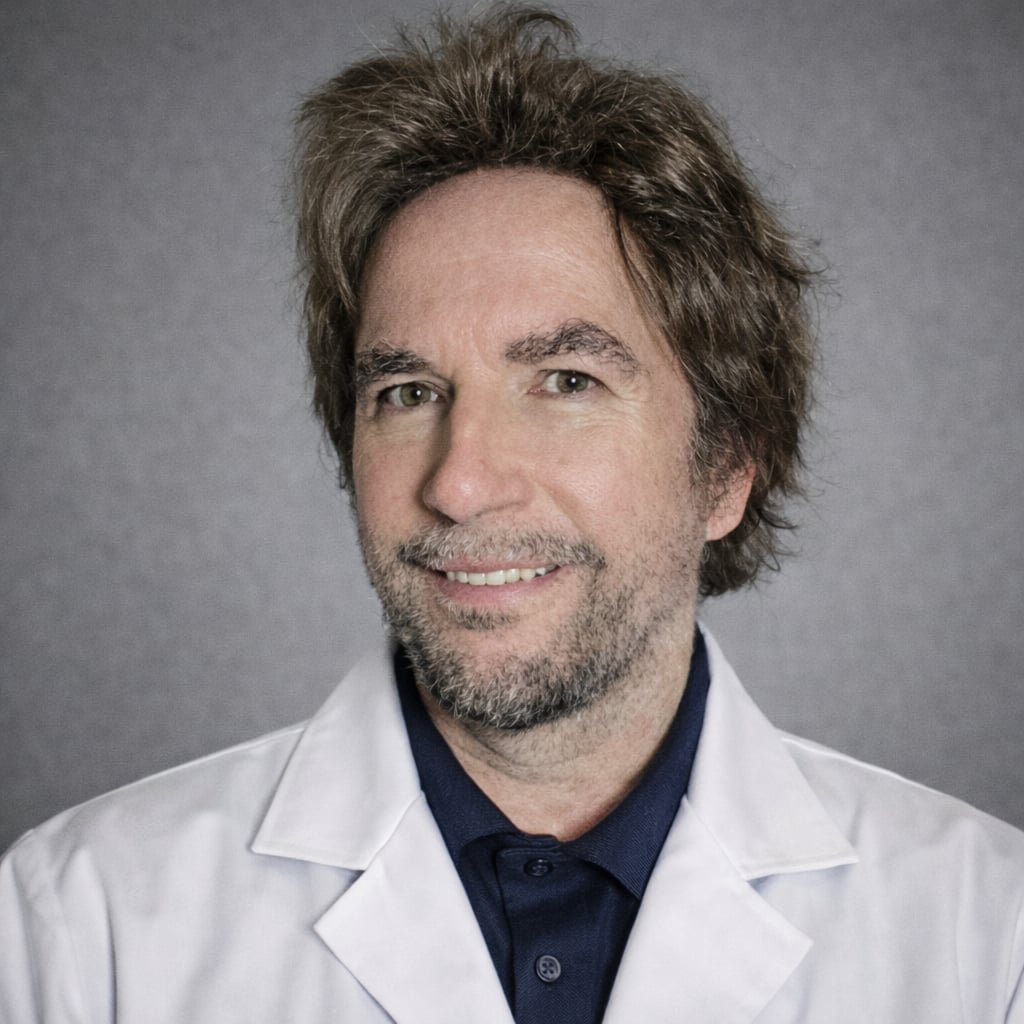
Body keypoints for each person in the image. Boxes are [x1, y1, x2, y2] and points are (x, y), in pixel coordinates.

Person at [1, 5, 1022, 1021]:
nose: (460, 481)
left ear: (726, 468)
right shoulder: (79, 929)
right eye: (405, 393)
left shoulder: (985, 932)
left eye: (565, 380)